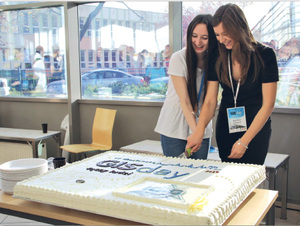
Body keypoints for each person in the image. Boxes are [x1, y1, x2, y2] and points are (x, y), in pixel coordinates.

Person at [186, 3, 279, 165]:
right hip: (226, 128)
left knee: (249, 179)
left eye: (225, 34)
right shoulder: (218, 56)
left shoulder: (265, 55)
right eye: (217, 35)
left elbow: (268, 105)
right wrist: (199, 131)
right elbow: (210, 101)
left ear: (239, 28)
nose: (221, 40)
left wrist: (245, 141)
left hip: (255, 131)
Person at [154, 14, 218, 160]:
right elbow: (185, 101)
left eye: (205, 37)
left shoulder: (214, 61)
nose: (198, 41)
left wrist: (199, 132)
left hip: (201, 125)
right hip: (175, 126)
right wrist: (197, 133)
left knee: (197, 176)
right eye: (194, 36)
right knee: (176, 177)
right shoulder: (179, 58)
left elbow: (211, 100)